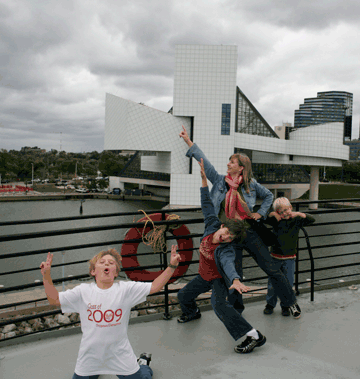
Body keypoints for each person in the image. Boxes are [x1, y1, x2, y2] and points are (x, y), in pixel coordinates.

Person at [179, 125, 302, 319]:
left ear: (241, 167)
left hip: (248, 231)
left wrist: (260, 213)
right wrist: (188, 140)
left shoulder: (251, 185)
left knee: (271, 267)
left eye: (232, 162)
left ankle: (290, 302)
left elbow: (269, 196)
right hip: (228, 234)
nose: (228, 164)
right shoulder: (219, 181)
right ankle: (237, 311)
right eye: (229, 161)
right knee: (234, 273)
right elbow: (205, 161)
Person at [40, 246, 181, 379]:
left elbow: (155, 286)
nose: (107, 264)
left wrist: (172, 266)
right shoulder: (83, 291)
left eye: (111, 263)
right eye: (102, 262)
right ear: (93, 271)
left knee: (143, 376)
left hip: (120, 355)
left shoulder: (125, 290)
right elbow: (55, 299)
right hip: (90, 357)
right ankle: (96, 371)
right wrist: (46, 275)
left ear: (115, 272)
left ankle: (142, 364)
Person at [177, 159, 267, 354]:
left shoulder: (226, 249)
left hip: (218, 279)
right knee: (183, 296)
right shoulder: (212, 224)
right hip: (203, 276)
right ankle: (192, 313)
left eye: (229, 238)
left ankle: (254, 335)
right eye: (226, 232)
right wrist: (203, 180)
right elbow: (206, 203)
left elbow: (228, 264)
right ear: (222, 226)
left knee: (218, 305)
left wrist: (234, 280)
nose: (225, 237)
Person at [263, 197, 316, 316]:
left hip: (289, 259)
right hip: (275, 257)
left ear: (291, 208)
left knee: (288, 283)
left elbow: (312, 219)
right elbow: (262, 218)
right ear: (277, 213)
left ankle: (285, 305)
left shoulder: (296, 220)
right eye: (281, 212)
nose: (285, 213)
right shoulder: (275, 220)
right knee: (272, 283)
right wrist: (272, 214)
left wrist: (298, 213)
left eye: (287, 210)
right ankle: (270, 304)